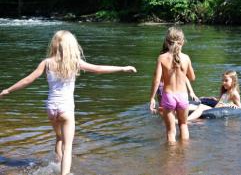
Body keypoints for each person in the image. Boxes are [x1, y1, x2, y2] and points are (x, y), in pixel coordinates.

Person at [0, 30, 137, 175]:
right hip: (66, 109)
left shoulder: (46, 63)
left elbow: (28, 79)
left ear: (54, 45)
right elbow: (98, 69)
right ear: (72, 46)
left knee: (59, 138)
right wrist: (122, 68)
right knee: (68, 146)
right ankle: (64, 173)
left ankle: (57, 165)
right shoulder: (75, 63)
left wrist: (8, 90)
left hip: (51, 109)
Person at [150, 27, 196, 143]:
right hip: (183, 96)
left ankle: (171, 157)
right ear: (183, 42)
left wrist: (151, 98)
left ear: (166, 42)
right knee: (183, 125)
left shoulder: (162, 58)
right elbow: (192, 77)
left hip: (169, 95)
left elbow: (157, 80)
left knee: (171, 131)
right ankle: (184, 153)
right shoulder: (186, 58)